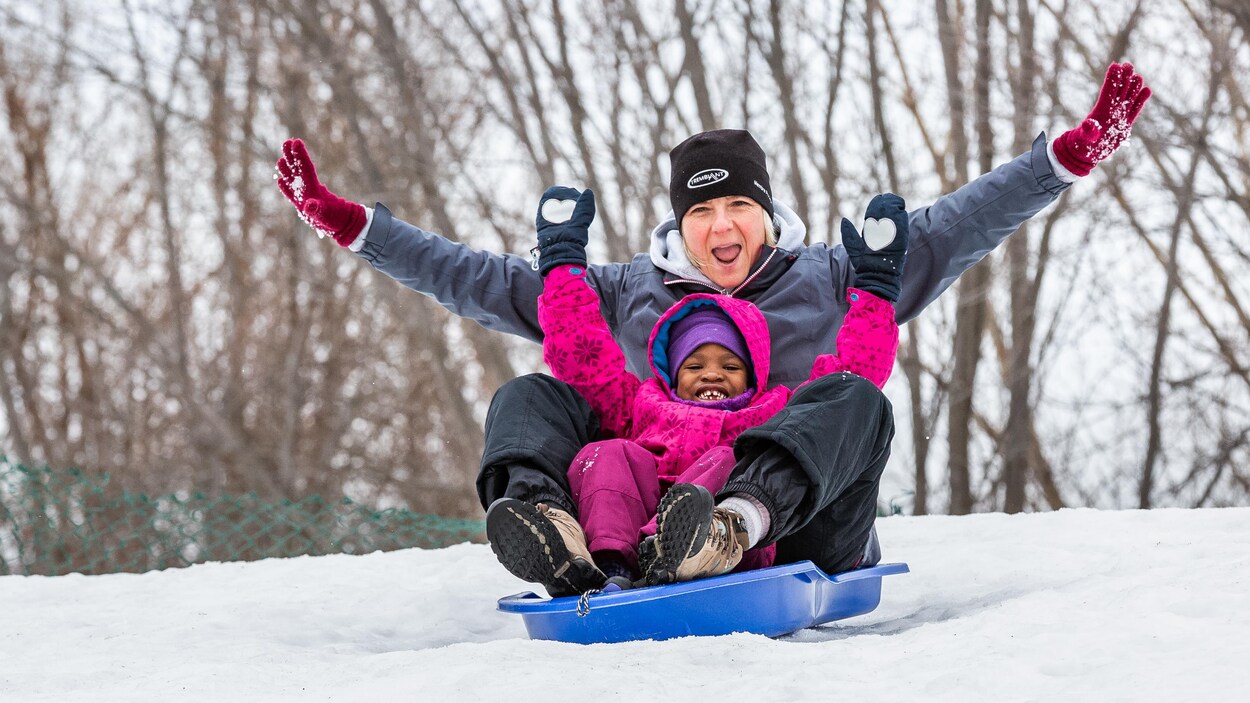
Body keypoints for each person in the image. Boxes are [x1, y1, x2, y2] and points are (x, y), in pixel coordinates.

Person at [275, 63, 1152, 583]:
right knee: (534, 393)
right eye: (703, 213)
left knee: (855, 398)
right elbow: (477, 278)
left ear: (765, 212)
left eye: (739, 204)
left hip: (804, 532)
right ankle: (558, 533)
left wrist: (1060, 159)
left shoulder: (834, 276)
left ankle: (733, 524)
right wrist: (359, 226)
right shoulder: (629, 291)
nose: (722, 226)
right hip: (656, 522)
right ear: (679, 226)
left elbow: (958, 225)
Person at [484, 187, 907, 596]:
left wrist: (876, 290)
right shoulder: (641, 408)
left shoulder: (774, 412)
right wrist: (562, 269)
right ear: (669, 373)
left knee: (851, 395)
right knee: (540, 404)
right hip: (630, 557)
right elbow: (584, 356)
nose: (712, 376)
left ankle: (725, 529)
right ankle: (556, 533)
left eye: (730, 366)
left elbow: (857, 371)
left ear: (753, 376)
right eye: (694, 366)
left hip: (766, 543)